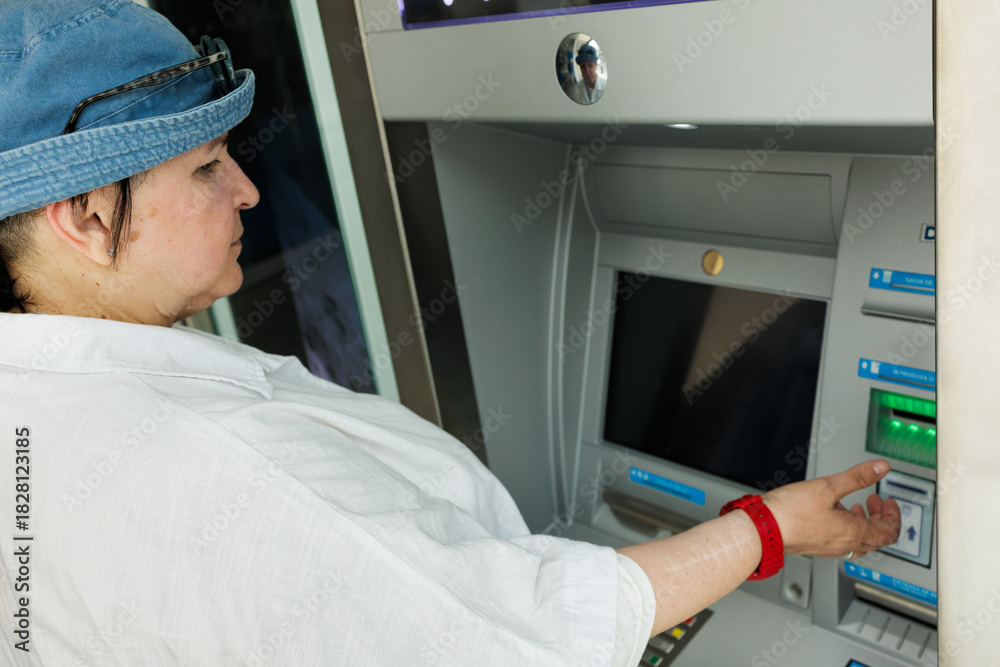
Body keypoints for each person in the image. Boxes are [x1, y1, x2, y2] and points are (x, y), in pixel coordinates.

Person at [0, 2, 901, 665]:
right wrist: (770, 526)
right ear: (83, 215)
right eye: (207, 166)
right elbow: (520, 639)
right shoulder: (208, 461)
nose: (248, 190)